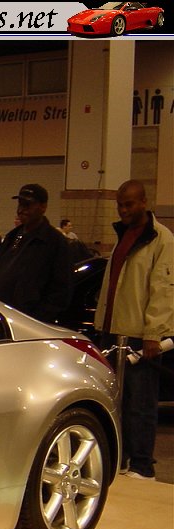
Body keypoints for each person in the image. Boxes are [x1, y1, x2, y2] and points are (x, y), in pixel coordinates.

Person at [94, 179, 173, 481]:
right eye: (120, 205)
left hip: (141, 336)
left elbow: (163, 289)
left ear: (144, 202)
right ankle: (123, 459)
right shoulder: (123, 235)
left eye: (129, 204)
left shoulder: (161, 239)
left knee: (141, 405)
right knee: (118, 402)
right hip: (114, 331)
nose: (124, 210)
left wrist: (154, 333)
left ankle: (142, 466)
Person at [0, 183, 72, 324]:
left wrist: (37, 319)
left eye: (27, 205)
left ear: (43, 207)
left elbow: (61, 291)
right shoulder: (12, 237)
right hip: (3, 319)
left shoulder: (54, 242)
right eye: (20, 204)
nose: (21, 209)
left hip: (30, 323)